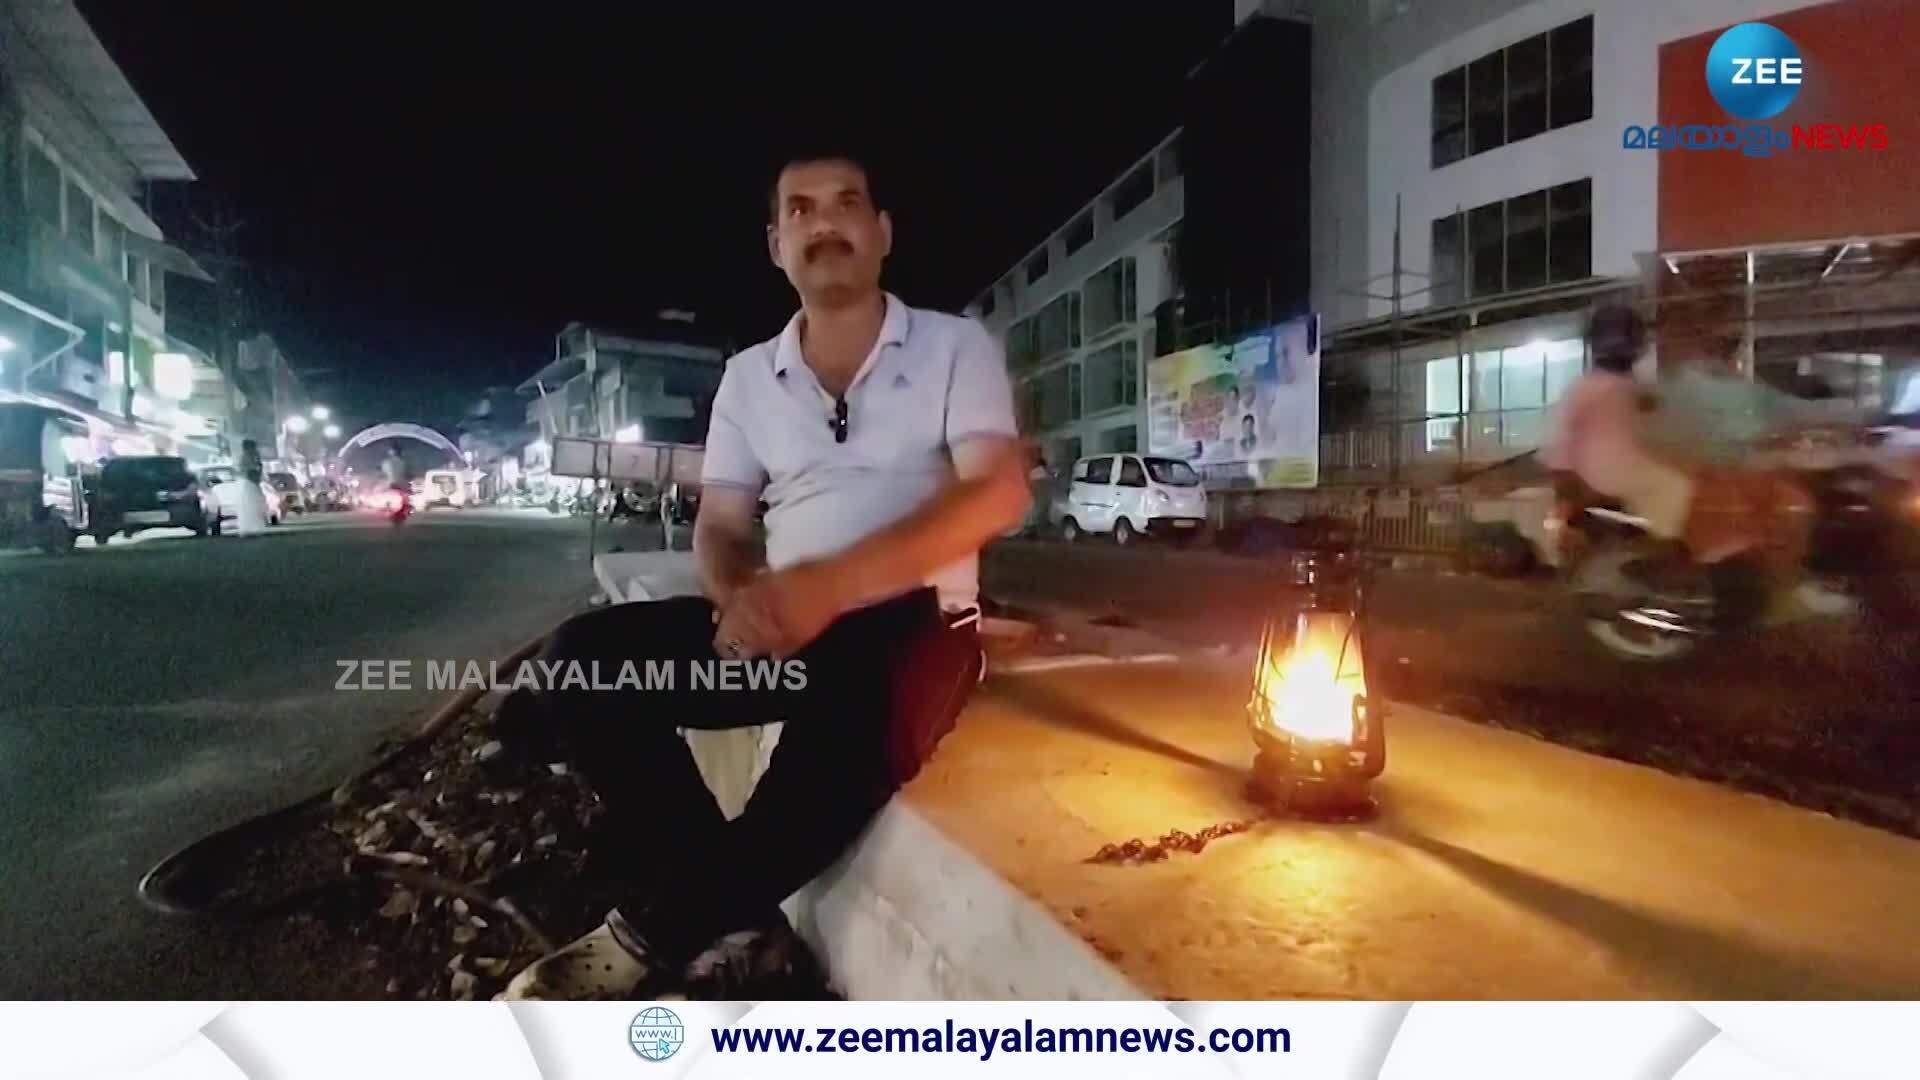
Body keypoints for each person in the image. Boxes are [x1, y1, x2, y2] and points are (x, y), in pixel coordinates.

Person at [498, 146, 1028, 999]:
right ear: (777, 244)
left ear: (883, 232)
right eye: (801, 209)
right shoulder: (748, 377)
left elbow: (996, 489)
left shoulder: (953, 346)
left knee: (847, 722)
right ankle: (742, 925)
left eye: (846, 203)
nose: (825, 224)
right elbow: (720, 522)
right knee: (583, 661)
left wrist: (829, 588)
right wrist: (738, 596)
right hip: (786, 625)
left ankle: (654, 930)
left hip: (919, 622)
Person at [234, 438, 269, 535]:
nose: (255, 449)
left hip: (250, 483)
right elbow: (250, 471)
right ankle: (250, 527)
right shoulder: (246, 458)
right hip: (249, 484)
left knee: (254, 505)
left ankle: (253, 527)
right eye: (254, 447)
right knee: (251, 505)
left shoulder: (250, 457)